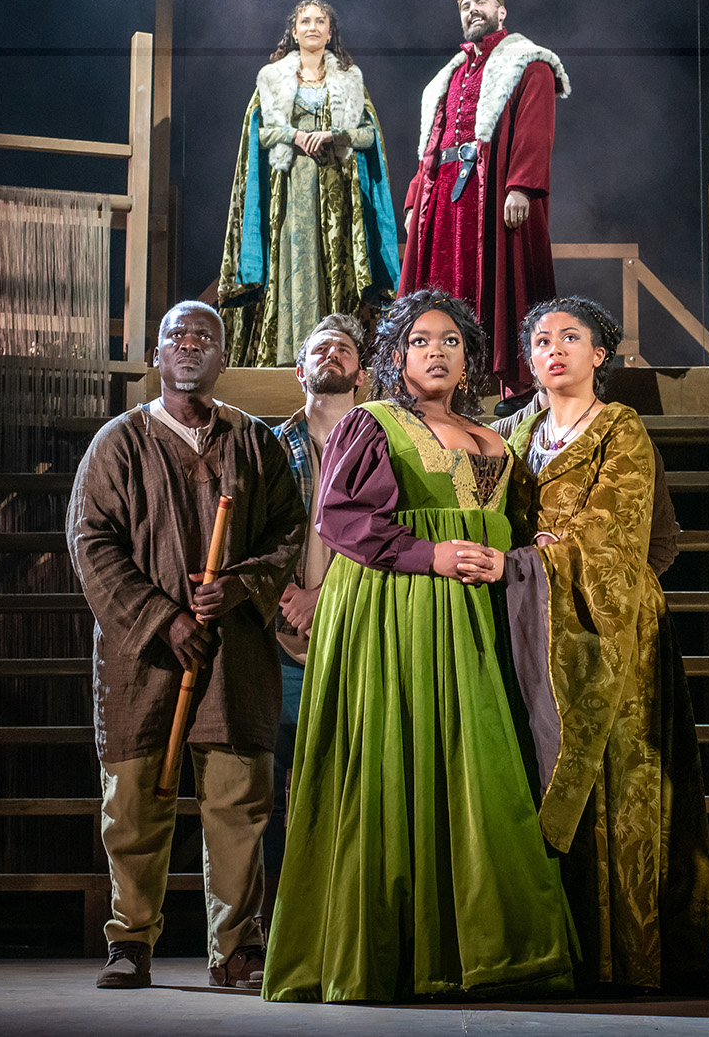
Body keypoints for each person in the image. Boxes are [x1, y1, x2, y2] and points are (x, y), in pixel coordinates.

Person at [264, 290, 577, 1002]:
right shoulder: (371, 425)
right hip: (395, 616)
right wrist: (430, 555)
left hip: (477, 621)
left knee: (482, 769)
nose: (435, 352)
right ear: (396, 356)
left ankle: (490, 946)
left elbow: (507, 524)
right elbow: (341, 520)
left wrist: (533, 548)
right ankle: (398, 950)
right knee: (398, 766)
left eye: (449, 341)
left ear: (469, 357)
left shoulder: (497, 439)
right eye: (419, 341)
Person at [500, 297, 709, 997]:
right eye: (539, 339)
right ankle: (549, 949)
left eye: (571, 336)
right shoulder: (516, 434)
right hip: (534, 619)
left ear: (600, 355)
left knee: (617, 779)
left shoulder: (619, 426)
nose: (552, 348)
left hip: (611, 626)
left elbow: (618, 529)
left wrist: (544, 555)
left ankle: (623, 954)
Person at [67, 301, 305, 993]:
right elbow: (91, 544)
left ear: (223, 357)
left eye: (205, 336)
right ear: (157, 354)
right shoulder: (118, 443)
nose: (190, 344)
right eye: (177, 334)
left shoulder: (256, 443)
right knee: (135, 804)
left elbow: (288, 534)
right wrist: (162, 618)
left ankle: (236, 947)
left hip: (235, 658)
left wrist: (238, 586)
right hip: (141, 659)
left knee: (239, 806)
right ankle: (130, 941)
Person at [399, 0, 568, 399]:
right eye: (466, 5)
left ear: (501, 12)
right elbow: (431, 143)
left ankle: (508, 387)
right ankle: (437, 384)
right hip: (444, 198)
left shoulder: (528, 62)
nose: (473, 10)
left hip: (490, 196)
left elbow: (535, 129)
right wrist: (416, 195)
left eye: (482, 3)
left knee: (498, 286)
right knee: (439, 288)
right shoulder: (449, 75)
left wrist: (522, 187)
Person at [219, 0, 402, 366]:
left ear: (331, 32)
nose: (313, 27)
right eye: (305, 21)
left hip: (337, 195)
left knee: (333, 266)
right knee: (293, 264)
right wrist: (294, 135)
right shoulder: (272, 78)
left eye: (321, 21)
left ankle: (337, 358)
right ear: (294, 31)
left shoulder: (350, 80)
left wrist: (337, 134)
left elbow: (370, 137)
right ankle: (291, 357)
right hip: (290, 192)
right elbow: (258, 134)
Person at [266, 313, 366, 859]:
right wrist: (288, 597)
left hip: (357, 639)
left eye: (344, 348)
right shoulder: (270, 448)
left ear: (360, 373)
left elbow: (393, 537)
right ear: (298, 371)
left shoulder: (382, 445)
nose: (331, 353)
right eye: (320, 348)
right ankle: (278, 934)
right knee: (275, 797)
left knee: (351, 787)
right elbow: (253, 533)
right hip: (283, 642)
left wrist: (323, 598)